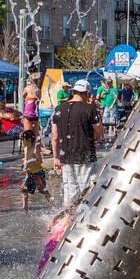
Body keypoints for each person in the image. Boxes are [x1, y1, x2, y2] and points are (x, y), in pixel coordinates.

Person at [51, 78, 103, 206]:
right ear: (87, 93)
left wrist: (56, 158)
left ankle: (67, 220)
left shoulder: (59, 108)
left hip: (65, 156)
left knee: (70, 191)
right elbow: (100, 131)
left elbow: (54, 136)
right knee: (88, 190)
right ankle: (85, 220)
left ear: (74, 92)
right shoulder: (90, 109)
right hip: (84, 154)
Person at [18, 129, 52, 209]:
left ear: (29, 140)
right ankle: (25, 206)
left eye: (23, 141)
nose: (21, 143)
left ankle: (52, 203)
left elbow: (40, 161)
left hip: (37, 173)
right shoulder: (26, 148)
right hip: (30, 172)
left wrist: (29, 162)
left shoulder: (35, 148)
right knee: (24, 188)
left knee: (42, 190)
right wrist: (24, 162)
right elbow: (27, 159)